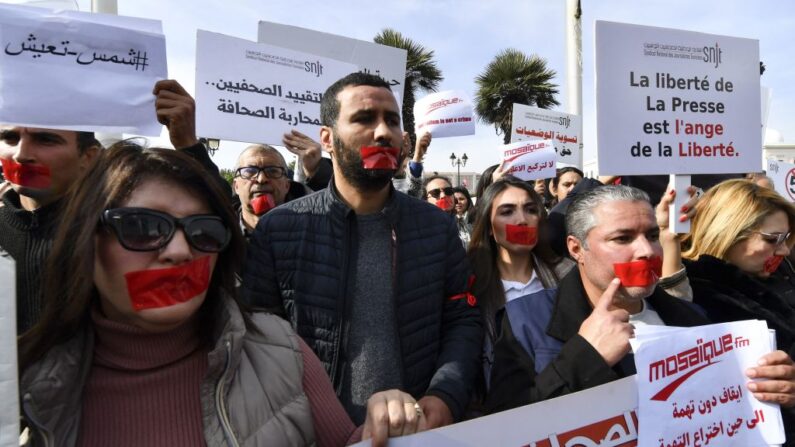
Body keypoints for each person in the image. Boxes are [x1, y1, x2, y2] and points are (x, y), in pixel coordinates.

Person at [19, 142, 424, 447]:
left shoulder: (282, 350)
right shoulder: (23, 383)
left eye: (203, 232)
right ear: (86, 240)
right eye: (142, 227)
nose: (179, 251)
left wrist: (388, 420)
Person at [242, 72, 481, 429]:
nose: (384, 132)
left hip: (419, 431)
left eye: (393, 121)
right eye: (364, 119)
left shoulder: (436, 228)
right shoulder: (281, 230)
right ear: (327, 138)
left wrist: (444, 397)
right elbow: (260, 344)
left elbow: (462, 319)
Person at [485, 185, 795, 416]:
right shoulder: (525, 320)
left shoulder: (693, 318)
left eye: (652, 235)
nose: (646, 251)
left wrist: (776, 389)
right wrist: (586, 356)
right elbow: (508, 424)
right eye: (622, 239)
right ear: (577, 249)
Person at [467, 177, 574, 390]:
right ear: (489, 227)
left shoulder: (568, 274)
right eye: (507, 212)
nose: (522, 220)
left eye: (531, 210)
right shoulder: (468, 284)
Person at [0, 126, 100, 333]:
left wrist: (186, 148)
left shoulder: (110, 234)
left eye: (45, 140)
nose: (21, 154)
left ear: (88, 157)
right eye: (10, 138)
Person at [682, 179, 795, 353]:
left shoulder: (775, 279)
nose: (784, 251)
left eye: (786, 238)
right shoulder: (692, 293)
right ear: (727, 233)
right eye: (773, 239)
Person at [232, 144, 312, 239]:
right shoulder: (219, 234)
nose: (261, 179)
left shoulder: (311, 232)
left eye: (272, 171)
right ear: (236, 186)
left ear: (287, 185)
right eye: (250, 171)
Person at [424, 174, 471, 246]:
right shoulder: (421, 228)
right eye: (435, 193)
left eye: (448, 191)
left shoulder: (465, 224)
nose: (443, 196)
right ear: (426, 199)